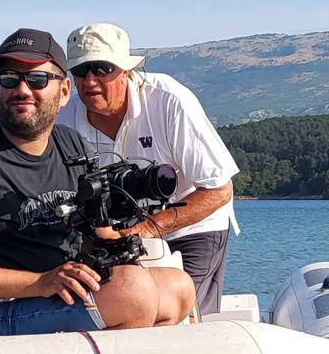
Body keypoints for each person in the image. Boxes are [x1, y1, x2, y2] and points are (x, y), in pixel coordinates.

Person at [0, 27, 193, 353]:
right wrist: (41, 282)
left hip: (49, 295)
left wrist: (116, 237)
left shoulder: (69, 145)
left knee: (177, 288)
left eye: (36, 80)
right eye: (9, 79)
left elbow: (93, 231)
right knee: (131, 292)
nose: (21, 89)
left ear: (63, 92)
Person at [58, 22, 241, 315]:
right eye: (80, 71)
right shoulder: (62, 120)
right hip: (112, 233)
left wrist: (146, 229)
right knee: (114, 310)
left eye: (102, 69)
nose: (90, 81)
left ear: (126, 71)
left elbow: (219, 189)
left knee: (183, 312)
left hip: (192, 225)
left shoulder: (168, 100)